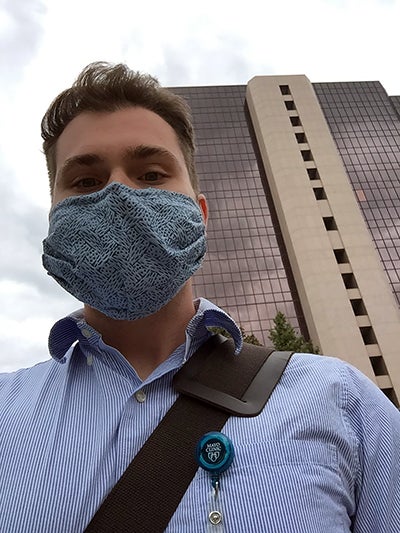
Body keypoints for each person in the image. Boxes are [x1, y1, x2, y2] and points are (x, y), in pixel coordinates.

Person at [0, 62, 399, 533]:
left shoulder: (343, 400)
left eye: (151, 174)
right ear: (54, 218)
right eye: (86, 182)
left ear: (200, 213)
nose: (120, 197)